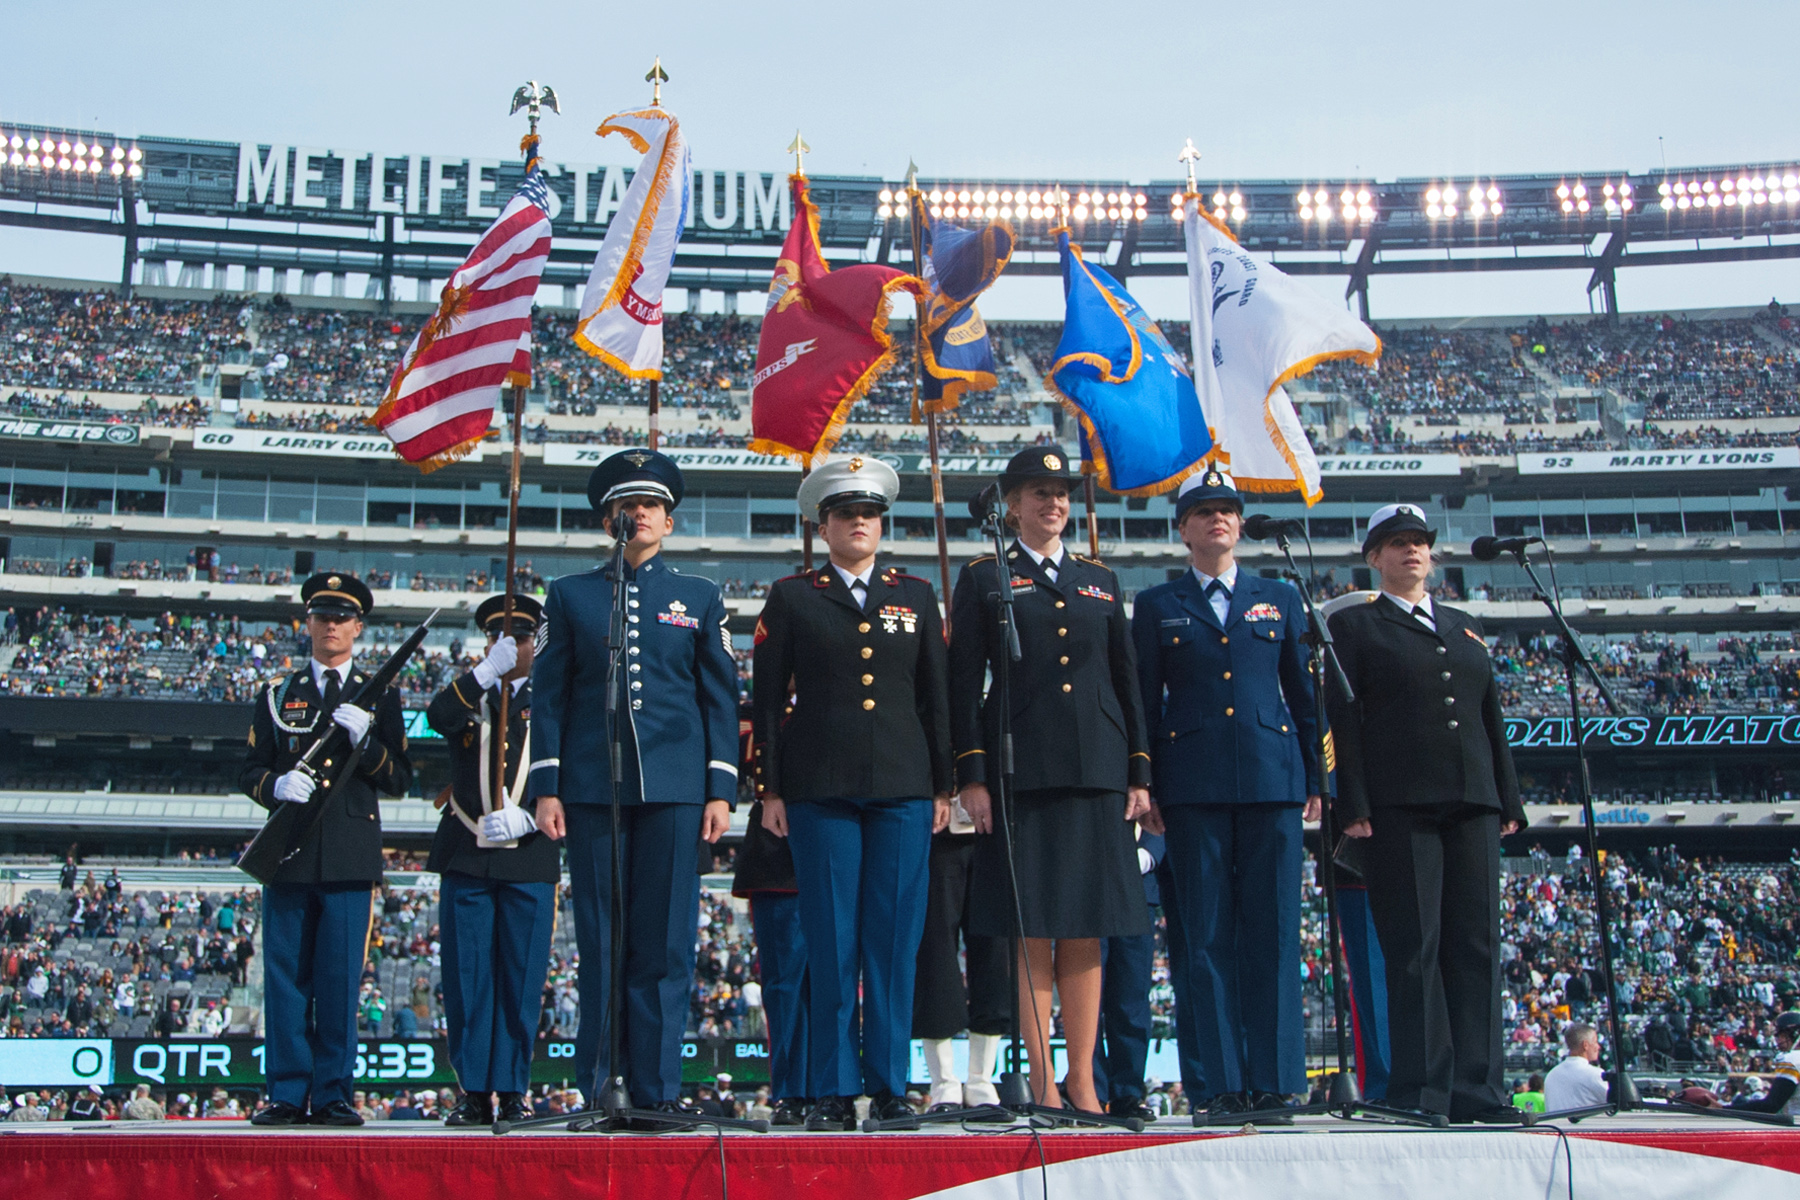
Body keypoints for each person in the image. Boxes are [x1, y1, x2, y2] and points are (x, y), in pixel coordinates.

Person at [529, 449, 737, 1121]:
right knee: (601, 944)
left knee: (665, 948)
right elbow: (551, 695)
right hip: (592, 787)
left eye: (651, 505)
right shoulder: (570, 595)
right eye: (628, 505)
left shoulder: (700, 597)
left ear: (669, 522)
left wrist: (719, 788)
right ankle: (601, 1088)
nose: (639, 513)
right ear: (607, 519)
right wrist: (547, 785)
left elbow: (719, 699)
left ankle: (656, 1092)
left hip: (676, 792)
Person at [949, 447, 1152, 1114]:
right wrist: (971, 775)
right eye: (1037, 492)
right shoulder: (986, 577)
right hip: (1021, 770)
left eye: (1061, 492)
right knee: (1031, 925)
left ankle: (1084, 1081)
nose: (1053, 503)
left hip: (1097, 767)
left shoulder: (1099, 578)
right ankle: (1041, 1082)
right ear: (1010, 504)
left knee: (1088, 926)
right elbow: (962, 686)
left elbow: (1127, 682)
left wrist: (1138, 771)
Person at [753, 456, 952, 1131]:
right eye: (845, 513)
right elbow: (768, 700)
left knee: (894, 943)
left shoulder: (916, 595)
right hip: (820, 789)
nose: (858, 522)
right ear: (824, 524)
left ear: (880, 523)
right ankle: (833, 1088)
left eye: (868, 513)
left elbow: (938, 702)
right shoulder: (793, 596)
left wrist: (944, 787)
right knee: (831, 943)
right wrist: (771, 789)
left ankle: (892, 1085)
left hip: (903, 786)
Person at [1327, 503, 1526, 1124]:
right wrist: (1351, 803)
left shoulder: (1465, 626)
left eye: (1419, 542)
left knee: (1475, 946)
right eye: (1396, 543)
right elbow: (1344, 723)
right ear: (1374, 558)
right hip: (1399, 803)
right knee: (1414, 948)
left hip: (1472, 799)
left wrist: (1509, 797)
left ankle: (1479, 1087)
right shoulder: (1357, 628)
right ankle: (1422, 1088)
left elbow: (1490, 717)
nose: (1411, 552)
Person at [1131, 469, 1321, 1120]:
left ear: (1240, 525)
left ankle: (1273, 1082)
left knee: (1273, 935)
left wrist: (1317, 782)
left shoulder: (1281, 597)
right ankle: (1217, 1084)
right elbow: (1143, 706)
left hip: (1273, 780)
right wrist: (1147, 782)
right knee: (1203, 937)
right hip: (1191, 787)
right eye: (1203, 511)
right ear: (1181, 528)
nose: (1218, 519)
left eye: (1228, 511)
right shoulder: (1157, 605)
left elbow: (1305, 696)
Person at [238, 571, 412, 1127]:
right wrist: (275, 786)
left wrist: (368, 741)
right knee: (286, 980)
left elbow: (401, 779)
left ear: (358, 627)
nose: (330, 625)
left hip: (347, 853)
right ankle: (288, 1093)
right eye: (321, 615)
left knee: (338, 982)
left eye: (341, 617)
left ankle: (334, 1092)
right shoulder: (277, 694)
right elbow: (250, 769)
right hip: (287, 853)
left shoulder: (380, 695)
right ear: (307, 623)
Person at [427, 594, 560, 1129]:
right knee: (468, 978)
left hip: (529, 849)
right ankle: (474, 1090)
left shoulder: (556, 695)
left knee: (519, 978)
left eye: (522, 638)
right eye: (500, 638)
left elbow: (579, 761)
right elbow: (438, 715)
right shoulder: (472, 693)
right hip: (467, 848)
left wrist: (533, 816)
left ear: (537, 642)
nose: (511, 646)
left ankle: (512, 1088)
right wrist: (484, 671)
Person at [731, 705, 812, 1126]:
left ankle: (832, 1088)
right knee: (783, 988)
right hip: (778, 859)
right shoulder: (757, 714)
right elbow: (747, 756)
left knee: (835, 985)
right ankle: (793, 1091)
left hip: (840, 846)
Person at [912, 792, 1010, 1111]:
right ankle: (943, 1082)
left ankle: (981, 1080)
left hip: (995, 825)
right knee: (934, 953)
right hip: (936, 825)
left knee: (996, 952)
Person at [1091, 828, 1166, 1121]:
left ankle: (1128, 1092)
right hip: (1087, 879)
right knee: (1086, 998)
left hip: (1138, 884)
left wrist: (1146, 855)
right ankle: (1091, 1090)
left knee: (1131, 998)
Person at [1731, 1011, 1800, 1114]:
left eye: (1781, 1035)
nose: (1777, 1040)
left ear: (1795, 1034)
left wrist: (1724, 1109)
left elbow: (1771, 1105)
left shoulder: (1793, 1059)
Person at [1543, 1021, 1608, 1112]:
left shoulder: (1551, 1075)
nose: (1598, 1047)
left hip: (1556, 1126)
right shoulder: (1596, 1074)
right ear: (1585, 1045)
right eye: (1595, 1042)